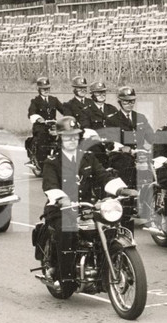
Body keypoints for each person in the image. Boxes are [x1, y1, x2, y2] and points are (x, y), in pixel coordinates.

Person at [40, 116, 130, 285]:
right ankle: (64, 276)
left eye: (75, 136)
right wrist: (62, 198)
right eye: (67, 137)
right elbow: (49, 185)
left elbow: (103, 176)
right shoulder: (52, 162)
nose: (72, 140)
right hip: (61, 209)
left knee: (111, 226)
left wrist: (121, 189)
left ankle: (107, 264)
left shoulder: (88, 157)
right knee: (67, 231)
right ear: (60, 138)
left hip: (87, 206)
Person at [103, 86, 155, 217]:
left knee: (155, 172)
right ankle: (126, 205)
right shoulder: (112, 119)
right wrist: (122, 148)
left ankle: (150, 203)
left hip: (140, 155)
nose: (129, 104)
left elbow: (151, 137)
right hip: (120, 156)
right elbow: (110, 141)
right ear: (119, 102)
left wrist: (152, 147)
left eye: (132, 101)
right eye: (126, 101)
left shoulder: (141, 118)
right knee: (127, 167)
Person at [26, 77, 65, 171]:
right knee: (42, 139)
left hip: (53, 125)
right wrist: (38, 118)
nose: (46, 90)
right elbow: (31, 113)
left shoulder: (54, 100)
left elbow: (63, 110)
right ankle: (40, 162)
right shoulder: (35, 101)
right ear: (39, 89)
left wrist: (70, 115)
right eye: (43, 89)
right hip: (41, 127)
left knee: (64, 137)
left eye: (47, 88)